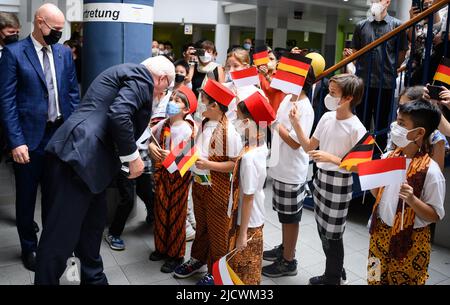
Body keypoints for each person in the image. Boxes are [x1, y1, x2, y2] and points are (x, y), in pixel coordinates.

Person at [34, 56, 174, 285]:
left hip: (90, 166)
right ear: (162, 78)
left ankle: (94, 279)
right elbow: (119, 114)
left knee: (92, 228)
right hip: (79, 161)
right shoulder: (141, 77)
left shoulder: (126, 74)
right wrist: (133, 158)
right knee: (60, 238)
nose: (159, 95)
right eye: (164, 89)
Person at [0, 3, 80, 272]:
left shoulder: (64, 53)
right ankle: (29, 246)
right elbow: (7, 101)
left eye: (61, 29)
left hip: (58, 137)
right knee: (25, 198)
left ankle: (51, 245)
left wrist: (72, 132)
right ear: (39, 22)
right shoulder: (13, 53)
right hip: (28, 140)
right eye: (55, 28)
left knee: (55, 196)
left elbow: (72, 95)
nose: (59, 33)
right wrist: (16, 141)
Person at [289, 74, 367, 285]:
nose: (328, 96)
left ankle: (332, 278)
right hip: (320, 179)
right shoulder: (326, 117)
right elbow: (308, 147)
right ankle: (336, 270)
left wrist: (330, 157)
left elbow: (362, 166)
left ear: (348, 98)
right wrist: (296, 123)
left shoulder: (356, 127)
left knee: (333, 235)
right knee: (323, 230)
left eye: (333, 93)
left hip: (339, 183)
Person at [367, 100, 445, 285]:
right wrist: (373, 181)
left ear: (419, 133)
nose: (395, 127)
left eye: (402, 124)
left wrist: (412, 199)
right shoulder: (389, 157)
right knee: (374, 278)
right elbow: (379, 195)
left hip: (410, 242)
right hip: (380, 234)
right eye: (396, 120)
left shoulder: (431, 171)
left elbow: (436, 215)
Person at [173, 79, 242, 285]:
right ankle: (198, 258)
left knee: (218, 229)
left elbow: (234, 164)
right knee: (202, 225)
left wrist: (209, 165)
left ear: (214, 106)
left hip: (218, 188)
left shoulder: (229, 132)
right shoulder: (204, 124)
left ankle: (218, 270)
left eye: (203, 100)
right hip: (200, 184)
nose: (199, 104)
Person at [262, 67, 315, 278]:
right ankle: (285, 248)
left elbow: (295, 143)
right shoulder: (288, 99)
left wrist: (273, 123)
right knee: (284, 215)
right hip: (281, 166)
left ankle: (289, 260)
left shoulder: (305, 108)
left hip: (292, 171)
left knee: (291, 218)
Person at [149, 85, 197, 273]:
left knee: (176, 215)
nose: (172, 102)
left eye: (178, 101)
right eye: (172, 99)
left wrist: (172, 156)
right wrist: (152, 148)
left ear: (186, 109)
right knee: (160, 212)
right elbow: (150, 138)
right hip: (162, 176)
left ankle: (176, 255)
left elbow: (187, 158)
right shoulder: (163, 124)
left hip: (179, 178)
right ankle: (161, 248)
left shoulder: (188, 129)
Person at [228, 92, 275, 285]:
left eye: (238, 118)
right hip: (254, 216)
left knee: (244, 273)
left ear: (248, 122)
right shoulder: (259, 146)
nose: (235, 122)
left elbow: (247, 197)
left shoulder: (249, 157)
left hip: (246, 222)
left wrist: (242, 234)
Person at [350, 0, 408, 151]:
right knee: (361, 122)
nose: (374, 2)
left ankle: (379, 158)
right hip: (363, 84)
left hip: (386, 83)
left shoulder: (397, 26)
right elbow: (355, 52)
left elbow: (402, 52)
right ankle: (359, 156)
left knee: (382, 124)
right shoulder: (361, 26)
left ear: (387, 2)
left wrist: (391, 67)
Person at [387, 86, 448, 170]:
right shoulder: (396, 128)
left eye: (407, 107)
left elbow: (438, 172)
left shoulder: (436, 139)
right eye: (400, 106)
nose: (401, 110)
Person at [257, 48, 286, 113]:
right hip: (263, 113)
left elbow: (280, 86)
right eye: (266, 59)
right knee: (262, 123)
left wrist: (266, 76)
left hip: (276, 115)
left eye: (271, 59)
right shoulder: (261, 74)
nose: (268, 61)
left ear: (277, 62)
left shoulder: (281, 75)